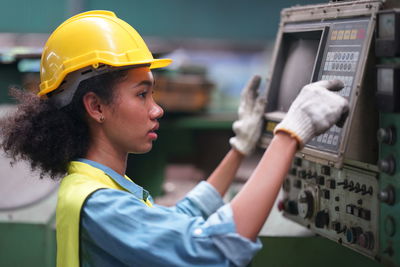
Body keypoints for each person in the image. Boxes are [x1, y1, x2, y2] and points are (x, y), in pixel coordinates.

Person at [0, 10, 349, 267]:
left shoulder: (95, 185)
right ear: (96, 106)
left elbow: (181, 219)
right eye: (142, 95)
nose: (157, 110)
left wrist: (239, 148)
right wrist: (289, 135)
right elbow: (214, 251)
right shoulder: (101, 204)